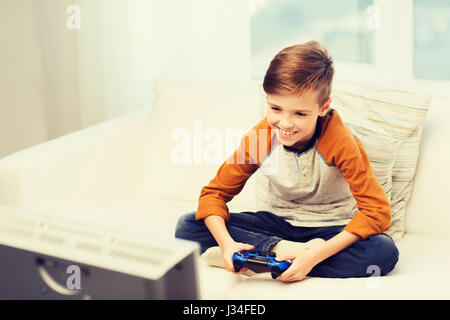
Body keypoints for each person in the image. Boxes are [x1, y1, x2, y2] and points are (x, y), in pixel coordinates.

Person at [175, 40, 399, 282]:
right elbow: (213, 195)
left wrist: (316, 254)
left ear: (323, 107)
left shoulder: (339, 140)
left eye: (300, 113)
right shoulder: (261, 138)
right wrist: (228, 243)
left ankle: (265, 261)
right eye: (276, 108)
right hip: (277, 224)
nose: (285, 123)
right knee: (187, 226)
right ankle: (276, 253)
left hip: (328, 228)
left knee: (384, 251)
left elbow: (377, 212)